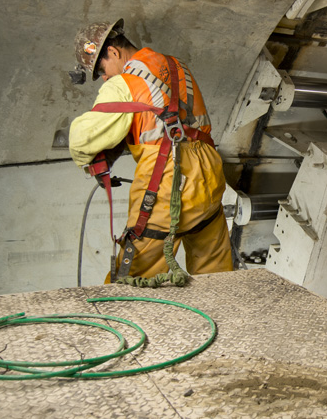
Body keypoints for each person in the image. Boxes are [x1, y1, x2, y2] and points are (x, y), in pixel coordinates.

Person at [69, 19, 233, 282]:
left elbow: (82, 139)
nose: (104, 78)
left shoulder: (124, 83)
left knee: (132, 281)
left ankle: (124, 321)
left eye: (101, 70)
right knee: (217, 275)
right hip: (209, 175)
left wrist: (88, 163)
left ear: (112, 52)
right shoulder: (176, 64)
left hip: (169, 183)